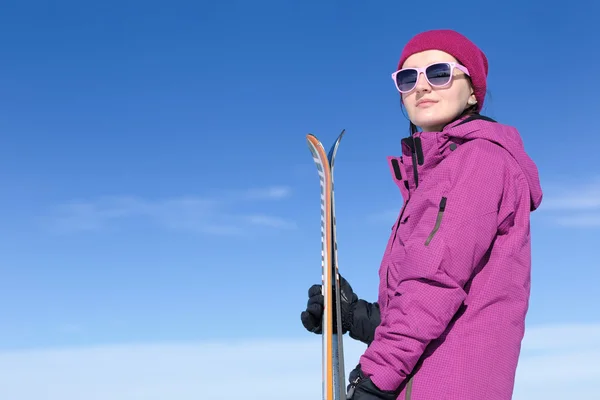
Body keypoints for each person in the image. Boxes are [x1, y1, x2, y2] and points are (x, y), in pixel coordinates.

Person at [300, 29, 543, 400]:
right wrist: (355, 316)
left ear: (474, 91)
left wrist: (373, 379)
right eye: (408, 78)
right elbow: (437, 305)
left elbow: (433, 283)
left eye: (440, 72)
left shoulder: (478, 160)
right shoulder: (438, 176)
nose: (422, 86)